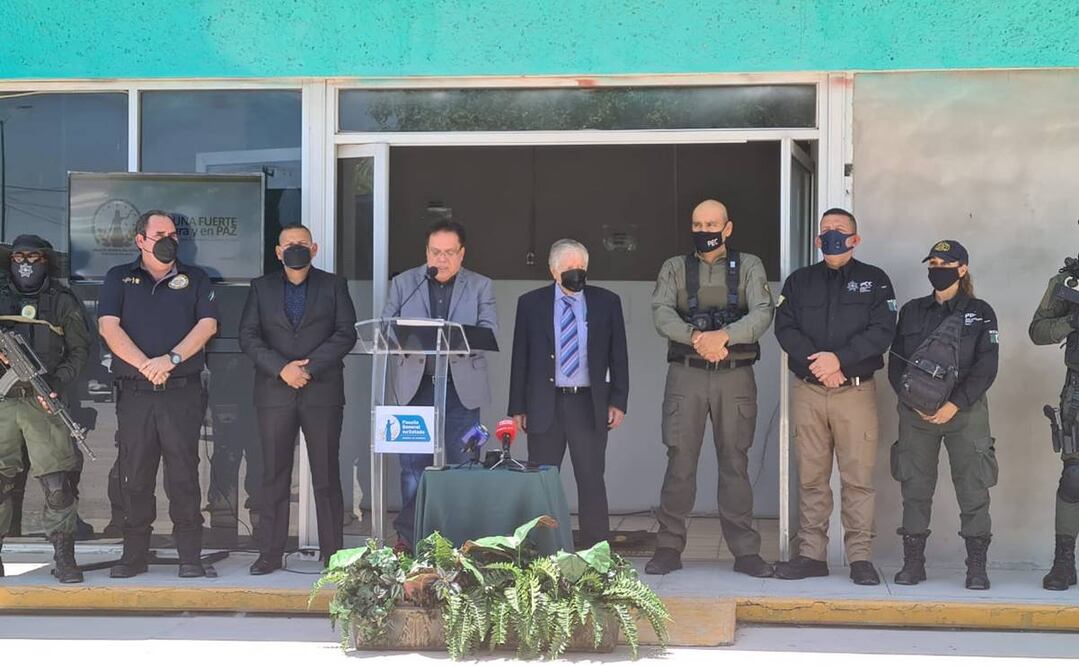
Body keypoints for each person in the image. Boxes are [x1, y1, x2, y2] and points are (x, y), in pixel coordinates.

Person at [645, 199, 775, 577]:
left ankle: (746, 552)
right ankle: (669, 547)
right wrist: (697, 336)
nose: (704, 231)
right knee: (680, 460)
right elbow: (662, 312)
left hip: (734, 375)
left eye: (711, 224)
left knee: (735, 461)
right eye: (697, 224)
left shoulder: (748, 266)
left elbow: (762, 312)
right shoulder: (674, 267)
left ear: (728, 228)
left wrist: (725, 337)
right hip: (687, 373)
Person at [774, 207, 896, 586]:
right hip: (809, 391)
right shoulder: (798, 282)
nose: (832, 235)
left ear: (855, 239)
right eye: (826, 230)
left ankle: (860, 558)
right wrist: (819, 366)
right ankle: (811, 555)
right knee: (812, 477)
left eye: (840, 230)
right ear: (817, 240)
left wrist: (839, 360)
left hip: (854, 392)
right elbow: (785, 328)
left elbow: (883, 331)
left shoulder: (875, 282)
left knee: (857, 478)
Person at [97, 210, 219, 578]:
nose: (170, 239)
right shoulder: (119, 277)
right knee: (136, 474)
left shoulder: (195, 278)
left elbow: (208, 324)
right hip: (136, 393)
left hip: (181, 392)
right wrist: (146, 365)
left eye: (174, 234)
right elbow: (108, 327)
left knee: (183, 474)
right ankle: (134, 556)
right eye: (160, 233)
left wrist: (171, 359)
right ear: (141, 240)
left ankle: (189, 557)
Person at [239, 224, 357, 573]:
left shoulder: (334, 285)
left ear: (314, 249)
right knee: (274, 475)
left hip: (321, 391)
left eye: (302, 244)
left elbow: (345, 332)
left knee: (326, 474)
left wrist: (309, 367)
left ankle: (333, 554)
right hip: (274, 392)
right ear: (278, 251)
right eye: (289, 244)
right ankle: (270, 552)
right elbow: (248, 335)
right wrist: (282, 369)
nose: (295, 249)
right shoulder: (261, 288)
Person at [888, 240, 999, 590]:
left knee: (973, 488)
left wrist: (955, 403)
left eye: (945, 263)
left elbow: (987, 366)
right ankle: (913, 564)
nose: (937, 268)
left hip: (965, 413)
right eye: (933, 262)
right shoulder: (912, 310)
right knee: (915, 487)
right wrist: (914, 402)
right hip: (916, 415)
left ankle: (976, 569)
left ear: (962, 268)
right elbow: (896, 364)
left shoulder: (981, 312)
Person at [381, 219, 496, 550]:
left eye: (449, 253)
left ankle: (460, 541)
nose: (441, 260)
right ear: (426, 251)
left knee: (463, 464)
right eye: (435, 252)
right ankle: (411, 536)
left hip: (461, 387)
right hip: (415, 387)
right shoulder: (405, 283)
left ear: (462, 253)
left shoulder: (480, 285)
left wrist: (453, 336)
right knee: (413, 467)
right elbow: (387, 327)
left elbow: (489, 331)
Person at [508, 239, 629, 548]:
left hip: (588, 403)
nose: (577, 273)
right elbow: (520, 356)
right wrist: (517, 406)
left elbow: (619, 356)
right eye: (570, 268)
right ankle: (541, 550)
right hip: (544, 404)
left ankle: (595, 552)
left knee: (591, 480)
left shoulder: (606, 302)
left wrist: (618, 400)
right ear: (553, 270)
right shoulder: (531, 303)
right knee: (543, 482)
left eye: (582, 268)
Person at [0, 235, 91, 582]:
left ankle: (64, 557)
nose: (25, 262)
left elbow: (80, 350)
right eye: (19, 256)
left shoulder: (61, 301)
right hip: (2, 402)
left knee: (57, 484)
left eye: (34, 257)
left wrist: (55, 384)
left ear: (46, 262)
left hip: (44, 401)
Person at [1029, 251, 1079, 591]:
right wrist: (1072, 322)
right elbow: (1038, 330)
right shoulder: (1068, 283)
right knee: (1074, 477)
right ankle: (1064, 562)